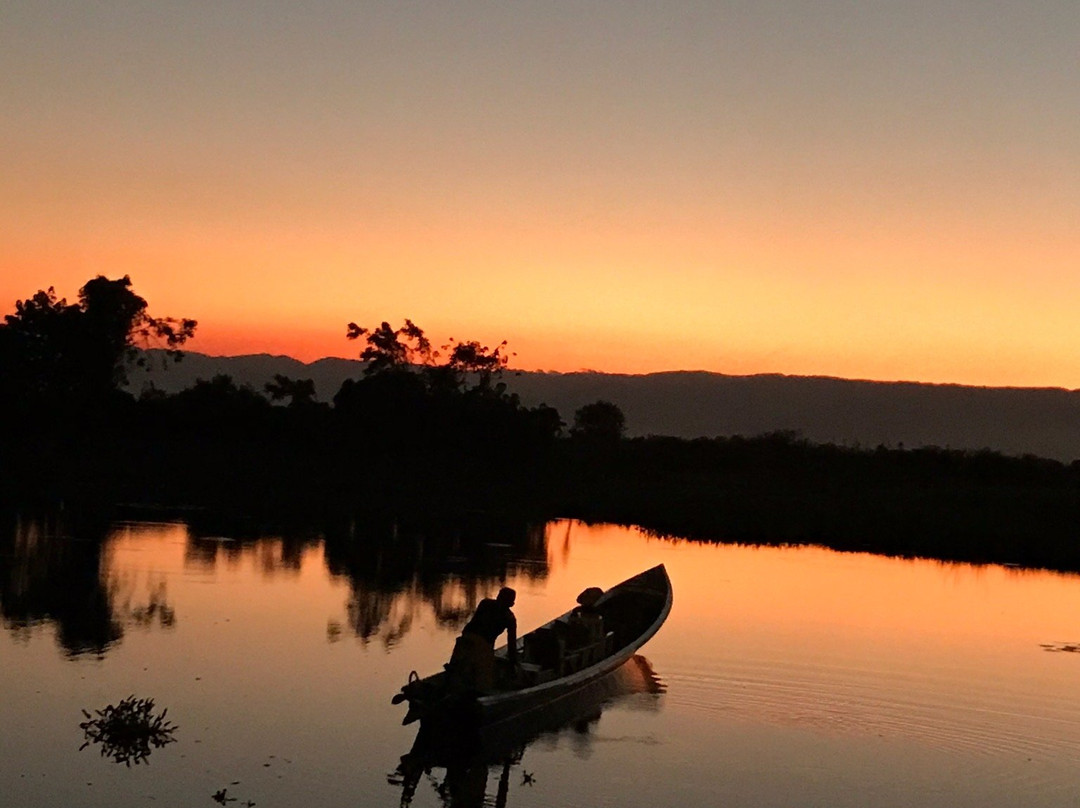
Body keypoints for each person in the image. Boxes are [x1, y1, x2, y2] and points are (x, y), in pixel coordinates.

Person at [446, 586, 518, 693]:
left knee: (455, 670)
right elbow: (511, 645)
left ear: (498, 597)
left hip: (465, 639)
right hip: (482, 645)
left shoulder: (485, 603)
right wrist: (513, 664)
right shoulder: (510, 618)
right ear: (511, 604)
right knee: (483, 686)